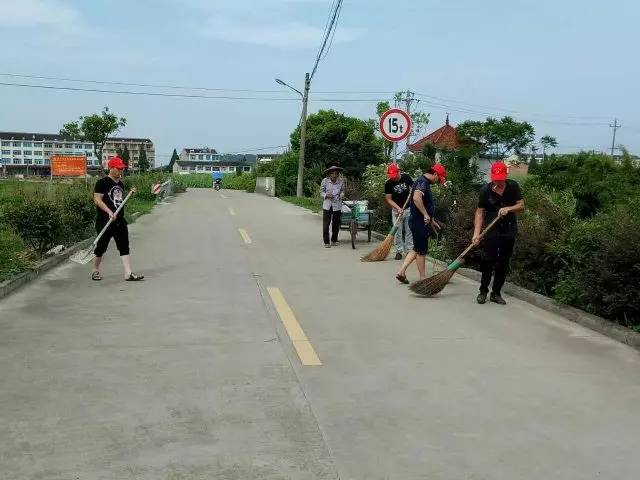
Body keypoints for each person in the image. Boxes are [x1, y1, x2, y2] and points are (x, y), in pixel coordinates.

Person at [472, 161, 525, 305]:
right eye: (495, 178)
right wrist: (476, 233)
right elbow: (479, 212)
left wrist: (509, 209)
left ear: (505, 175)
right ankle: (483, 291)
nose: (498, 181)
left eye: (500, 178)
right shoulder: (485, 190)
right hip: (491, 229)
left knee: (503, 262)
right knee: (488, 261)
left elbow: (521, 205)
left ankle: (496, 293)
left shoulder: (513, 186)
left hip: (508, 230)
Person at [91, 156, 144, 282]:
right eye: (119, 169)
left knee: (124, 246)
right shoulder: (102, 183)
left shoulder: (120, 184)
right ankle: (95, 270)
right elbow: (97, 200)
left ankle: (128, 273)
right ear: (111, 168)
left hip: (119, 220)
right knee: (101, 247)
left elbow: (118, 200)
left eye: (122, 169)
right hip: (105, 221)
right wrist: (109, 212)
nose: (121, 171)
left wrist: (130, 193)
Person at [396, 163, 447, 284]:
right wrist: (425, 214)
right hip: (419, 223)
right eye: (439, 178)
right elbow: (416, 198)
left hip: (418, 221)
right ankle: (423, 279)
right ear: (435, 174)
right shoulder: (423, 182)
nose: (438, 181)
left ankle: (401, 272)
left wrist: (432, 220)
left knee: (417, 248)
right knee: (421, 251)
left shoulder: (423, 182)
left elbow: (424, 202)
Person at [384, 163, 414, 260]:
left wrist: (412, 191)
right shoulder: (388, 183)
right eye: (391, 176)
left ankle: (409, 250)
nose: (393, 178)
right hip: (396, 211)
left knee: (409, 230)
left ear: (398, 172)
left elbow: (413, 189)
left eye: (394, 176)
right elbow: (389, 199)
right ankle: (399, 251)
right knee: (398, 232)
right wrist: (398, 208)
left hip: (408, 208)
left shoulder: (406, 178)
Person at [320, 165, 345, 248]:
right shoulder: (325, 181)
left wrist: (342, 195)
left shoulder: (341, 182)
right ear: (329, 174)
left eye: (336, 173)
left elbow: (342, 191)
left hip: (337, 205)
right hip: (327, 205)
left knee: (336, 224)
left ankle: (334, 240)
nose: (334, 175)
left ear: (338, 174)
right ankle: (326, 242)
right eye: (333, 173)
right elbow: (321, 192)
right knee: (326, 224)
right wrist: (326, 195)